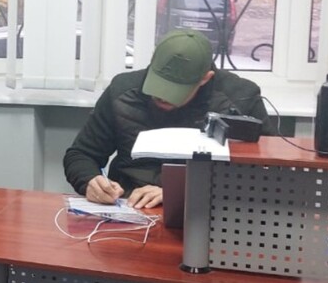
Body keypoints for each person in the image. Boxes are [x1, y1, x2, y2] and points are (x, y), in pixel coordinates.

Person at [63, 29, 274, 209]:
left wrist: (180, 193)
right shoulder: (123, 90)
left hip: (207, 212)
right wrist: (90, 181)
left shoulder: (241, 99)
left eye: (174, 90)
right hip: (129, 205)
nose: (161, 96)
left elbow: (268, 176)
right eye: (158, 84)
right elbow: (81, 154)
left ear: (205, 78)